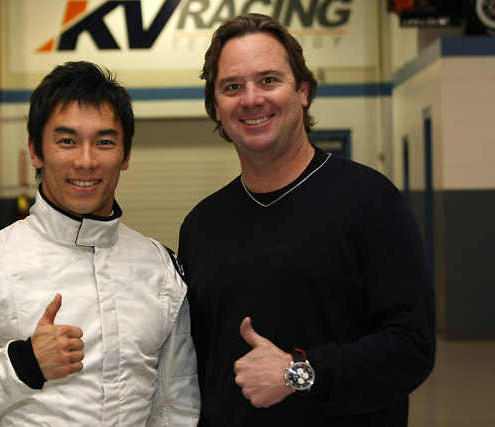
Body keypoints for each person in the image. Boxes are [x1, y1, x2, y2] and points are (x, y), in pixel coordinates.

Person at [178, 13, 435, 426]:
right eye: (232, 86)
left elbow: (412, 347)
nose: (251, 99)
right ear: (216, 107)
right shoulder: (200, 226)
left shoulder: (370, 201)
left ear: (303, 90)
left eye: (268, 80)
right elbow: (200, 369)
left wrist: (299, 372)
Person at [0, 61, 200, 426]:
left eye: (104, 142)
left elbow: (175, 409)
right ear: (35, 151)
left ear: (126, 155)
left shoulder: (161, 268)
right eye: (67, 141)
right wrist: (24, 364)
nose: (86, 161)